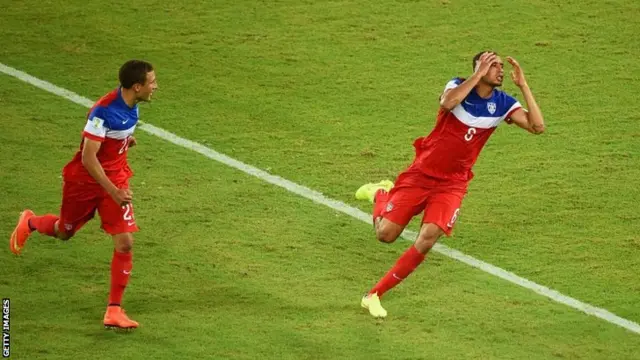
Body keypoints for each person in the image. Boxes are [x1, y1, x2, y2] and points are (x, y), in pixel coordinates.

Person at [356, 51, 545, 318]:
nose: (500, 70)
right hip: (422, 174)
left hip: (453, 184)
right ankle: (380, 194)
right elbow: (447, 103)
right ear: (479, 67)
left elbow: (538, 127)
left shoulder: (503, 103)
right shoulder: (457, 86)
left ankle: (374, 294)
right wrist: (478, 74)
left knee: (428, 237)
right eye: (494, 65)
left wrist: (523, 86)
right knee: (385, 235)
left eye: (501, 66)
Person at [9, 60, 158, 329]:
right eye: (152, 82)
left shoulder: (131, 104)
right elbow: (89, 158)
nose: (155, 86)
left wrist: (124, 142)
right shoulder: (103, 111)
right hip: (85, 183)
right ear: (137, 87)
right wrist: (113, 191)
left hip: (115, 177)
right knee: (64, 232)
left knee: (125, 243)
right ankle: (30, 221)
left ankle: (113, 309)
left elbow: (111, 140)